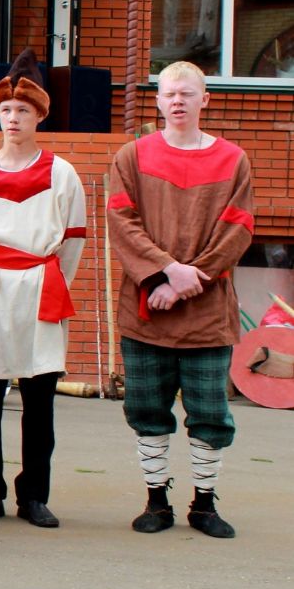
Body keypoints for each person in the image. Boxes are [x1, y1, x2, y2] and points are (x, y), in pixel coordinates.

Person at [108, 61, 254, 538]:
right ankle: (156, 502)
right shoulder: (132, 156)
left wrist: (194, 278)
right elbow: (122, 222)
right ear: (158, 100)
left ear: (204, 99)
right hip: (148, 309)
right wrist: (166, 272)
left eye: (187, 94)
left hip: (206, 314)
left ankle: (204, 504)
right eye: (170, 93)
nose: (177, 101)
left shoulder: (234, 160)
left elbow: (239, 228)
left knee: (210, 412)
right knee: (147, 409)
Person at [0, 51, 86, 529]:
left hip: (40, 287)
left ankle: (34, 495)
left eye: (23, 111)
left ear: (39, 116)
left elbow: (72, 241)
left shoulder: (61, 174)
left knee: (39, 399)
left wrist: (43, 281)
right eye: (7, 110)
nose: (14, 118)